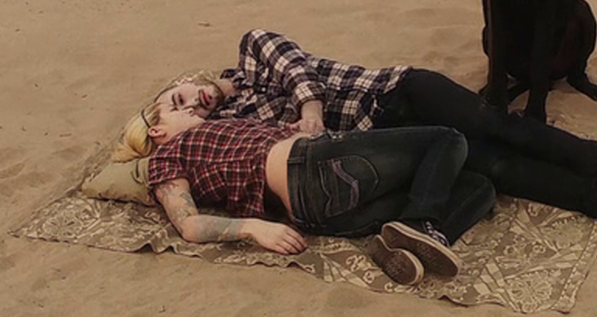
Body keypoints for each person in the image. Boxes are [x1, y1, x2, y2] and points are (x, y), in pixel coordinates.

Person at [172, 28, 597, 240]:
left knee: (504, 129)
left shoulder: (250, 53)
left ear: (188, 80)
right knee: (498, 169)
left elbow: (294, 66)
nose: (193, 102)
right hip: (391, 140)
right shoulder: (231, 128)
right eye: (182, 110)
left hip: (399, 92)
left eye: (181, 94)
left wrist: (310, 110)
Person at [82, 89, 492, 286]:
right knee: (448, 139)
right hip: (313, 168)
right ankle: (419, 224)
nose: (188, 108)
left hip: (325, 213)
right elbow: (187, 225)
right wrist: (252, 228)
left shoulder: (219, 127)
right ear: (157, 131)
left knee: (478, 186)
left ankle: (400, 243)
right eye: (175, 109)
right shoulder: (168, 158)